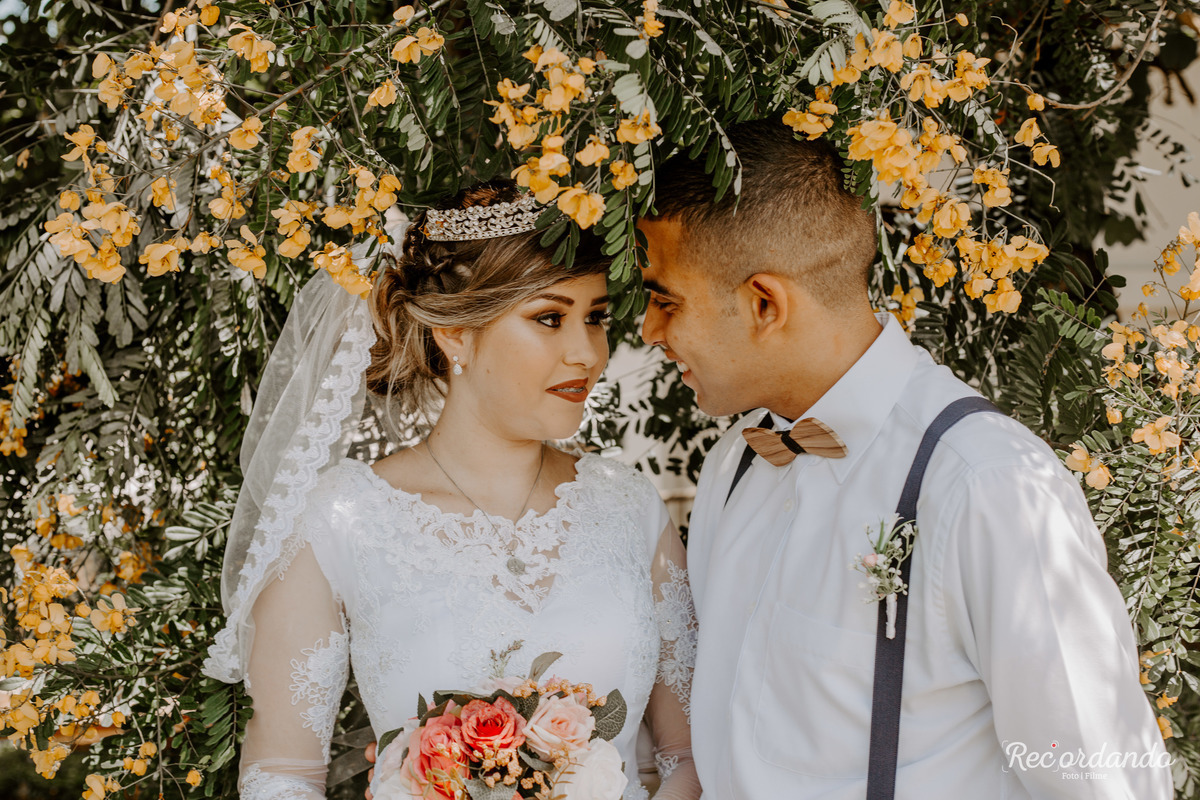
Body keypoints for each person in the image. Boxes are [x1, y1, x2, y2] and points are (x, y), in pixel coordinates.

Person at [636, 119, 1173, 799]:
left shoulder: (988, 485)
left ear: (764, 303)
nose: (650, 330)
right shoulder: (732, 466)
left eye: (665, 300)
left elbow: (1101, 780)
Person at [202, 179, 701, 800]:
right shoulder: (344, 519)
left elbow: (685, 757)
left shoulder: (629, 505)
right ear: (455, 334)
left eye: (595, 318)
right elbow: (282, 778)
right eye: (549, 318)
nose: (586, 353)